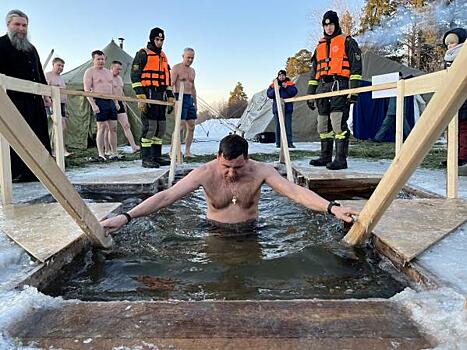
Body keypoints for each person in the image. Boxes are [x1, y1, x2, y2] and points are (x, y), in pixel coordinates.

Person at [101, 134, 358, 234]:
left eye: (238, 167)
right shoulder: (204, 172)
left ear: (248, 159)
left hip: (251, 231)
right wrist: (126, 216)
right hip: (215, 230)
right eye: (226, 167)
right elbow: (167, 197)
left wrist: (332, 208)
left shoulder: (261, 171)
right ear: (217, 158)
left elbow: (294, 192)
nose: (232, 174)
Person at [0, 9, 52, 182]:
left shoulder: (31, 48)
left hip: (35, 100)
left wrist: (46, 93)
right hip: (12, 101)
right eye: (17, 25)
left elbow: (39, 72)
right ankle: (17, 173)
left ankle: (39, 171)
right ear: (8, 25)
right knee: (17, 137)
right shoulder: (1, 45)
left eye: (24, 25)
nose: (21, 29)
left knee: (38, 134)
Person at [307, 10, 362, 170]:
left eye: (331, 24)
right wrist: (311, 93)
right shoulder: (319, 47)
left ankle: (340, 159)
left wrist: (353, 91)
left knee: (337, 123)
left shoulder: (348, 41)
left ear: (336, 24)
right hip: (323, 88)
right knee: (323, 125)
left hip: (340, 85)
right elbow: (314, 72)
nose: (328, 28)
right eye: (325, 25)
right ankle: (325, 156)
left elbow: (356, 68)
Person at [131, 27, 174, 168]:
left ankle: (156, 157)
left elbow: (167, 79)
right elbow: (135, 76)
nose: (160, 42)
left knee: (160, 128)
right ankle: (146, 158)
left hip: (160, 97)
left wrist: (170, 97)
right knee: (150, 128)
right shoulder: (142, 54)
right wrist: (141, 96)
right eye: (157, 39)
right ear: (152, 39)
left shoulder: (163, 57)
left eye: (162, 40)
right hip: (148, 95)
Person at [83, 50, 119, 162]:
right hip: (98, 101)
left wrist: (116, 102)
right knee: (101, 128)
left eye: (102, 59)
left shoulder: (108, 72)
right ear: (93, 60)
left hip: (110, 101)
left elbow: (112, 88)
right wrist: (93, 104)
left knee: (113, 128)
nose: (101, 61)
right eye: (98, 59)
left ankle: (114, 152)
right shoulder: (90, 72)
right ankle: (101, 153)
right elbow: (86, 90)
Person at [443, 28, 467, 173]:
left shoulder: (463, 55)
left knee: (464, 131)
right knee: (453, 130)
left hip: (464, 99)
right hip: (452, 98)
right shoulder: (447, 58)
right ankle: (454, 157)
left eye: (453, 42)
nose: (450, 46)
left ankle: (464, 159)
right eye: (448, 44)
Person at [171, 48, 197, 158]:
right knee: (180, 126)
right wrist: (172, 99)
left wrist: (195, 103)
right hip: (178, 97)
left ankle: (187, 151)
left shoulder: (192, 71)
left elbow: (193, 88)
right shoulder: (176, 68)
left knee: (191, 126)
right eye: (188, 57)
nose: (190, 60)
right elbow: (171, 84)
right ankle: (173, 151)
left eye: (192, 58)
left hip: (189, 98)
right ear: (183, 56)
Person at [109, 60, 140, 153]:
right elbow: (109, 91)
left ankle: (134, 146)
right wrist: (115, 103)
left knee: (126, 125)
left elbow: (120, 91)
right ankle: (109, 149)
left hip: (120, 102)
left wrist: (123, 102)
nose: (119, 71)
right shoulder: (108, 78)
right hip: (110, 102)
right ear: (111, 68)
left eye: (120, 69)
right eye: (117, 69)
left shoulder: (120, 78)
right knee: (111, 128)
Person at [45, 57, 72, 157]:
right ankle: (53, 149)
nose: (61, 67)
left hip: (61, 105)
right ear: (53, 65)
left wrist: (66, 108)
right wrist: (49, 103)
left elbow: (64, 94)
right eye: (58, 65)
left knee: (63, 127)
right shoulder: (48, 75)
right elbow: (45, 90)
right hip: (52, 104)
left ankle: (62, 149)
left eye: (62, 66)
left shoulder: (61, 78)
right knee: (55, 127)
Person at [266, 69, 298, 148]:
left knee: (288, 126)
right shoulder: (273, 84)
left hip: (288, 109)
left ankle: (289, 143)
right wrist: (276, 89)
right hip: (277, 109)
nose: (281, 77)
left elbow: (294, 92)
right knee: (278, 127)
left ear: (285, 76)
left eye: (283, 75)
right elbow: (269, 95)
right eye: (280, 75)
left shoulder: (289, 83)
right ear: (278, 76)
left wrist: (286, 87)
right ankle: (278, 143)